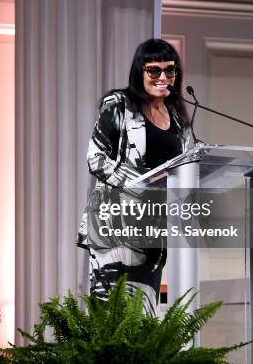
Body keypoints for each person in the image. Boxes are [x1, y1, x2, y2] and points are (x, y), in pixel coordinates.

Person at [77, 38, 193, 316]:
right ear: (139, 72)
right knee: (113, 317)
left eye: (170, 70)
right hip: (116, 227)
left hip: (153, 231)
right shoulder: (119, 104)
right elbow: (96, 159)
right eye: (154, 70)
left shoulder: (178, 119)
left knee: (143, 317)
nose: (163, 77)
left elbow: (188, 165)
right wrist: (140, 185)